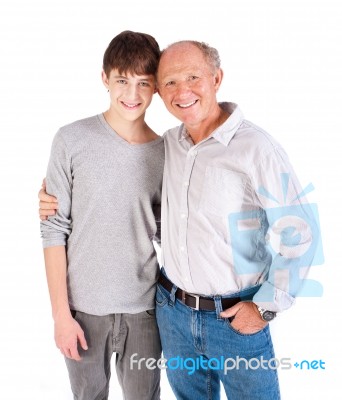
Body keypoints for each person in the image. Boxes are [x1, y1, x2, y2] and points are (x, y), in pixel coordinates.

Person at [40, 39, 321, 400]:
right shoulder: (171, 145)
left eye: (193, 77)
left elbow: (298, 231)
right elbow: (137, 204)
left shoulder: (255, 148)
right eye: (170, 81)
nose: (182, 91)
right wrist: (54, 198)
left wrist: (265, 306)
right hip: (172, 314)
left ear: (216, 79)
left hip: (233, 317)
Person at [40, 31, 164, 400]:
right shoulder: (71, 139)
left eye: (144, 83)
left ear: (156, 87)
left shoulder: (165, 153)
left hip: (144, 311)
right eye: (122, 80)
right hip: (82, 311)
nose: (133, 94)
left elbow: (166, 228)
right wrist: (61, 316)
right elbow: (53, 231)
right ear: (104, 79)